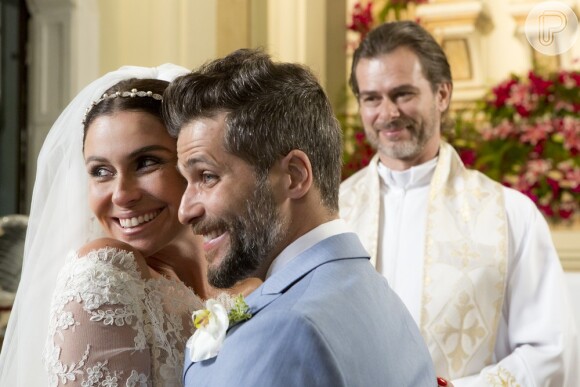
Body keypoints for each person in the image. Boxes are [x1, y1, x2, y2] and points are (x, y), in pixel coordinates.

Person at [162, 48, 437, 386]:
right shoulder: (379, 295)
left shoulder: (281, 332)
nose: (185, 210)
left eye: (206, 176)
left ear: (293, 175)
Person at [340, 20, 579, 386]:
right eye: (371, 98)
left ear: (442, 94)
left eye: (403, 94)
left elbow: (549, 351)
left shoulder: (510, 214)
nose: (387, 113)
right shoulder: (334, 213)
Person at [0, 65, 211, 387]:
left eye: (146, 162)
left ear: (194, 163)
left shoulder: (248, 269)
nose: (122, 195)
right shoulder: (102, 274)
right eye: (101, 171)